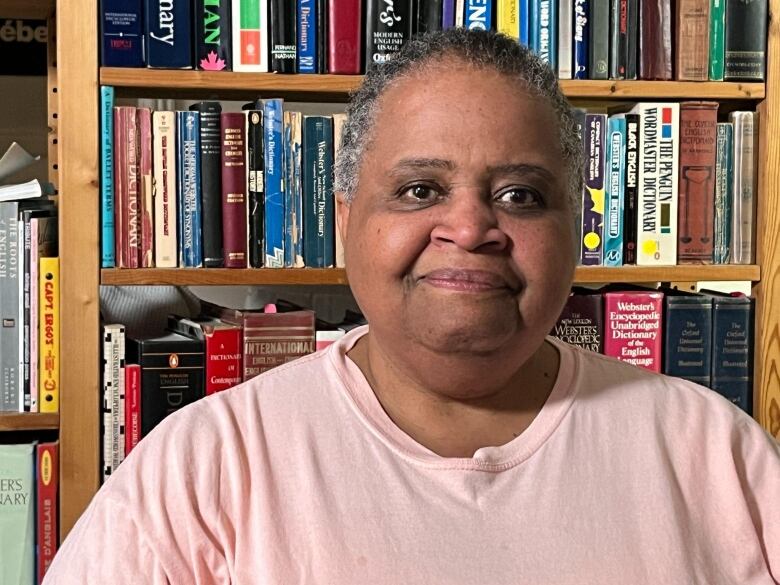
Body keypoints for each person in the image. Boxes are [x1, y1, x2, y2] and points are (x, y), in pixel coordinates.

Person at [44, 29, 779, 584]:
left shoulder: (717, 456)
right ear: (343, 221)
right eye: (420, 189)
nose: (469, 229)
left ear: (574, 230)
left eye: (520, 194)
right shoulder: (203, 466)